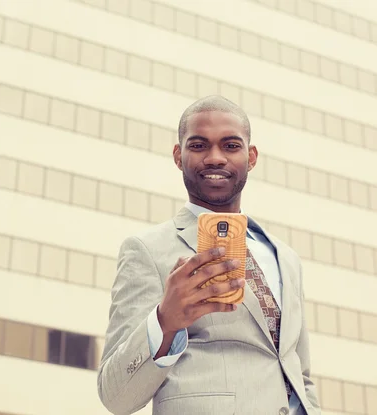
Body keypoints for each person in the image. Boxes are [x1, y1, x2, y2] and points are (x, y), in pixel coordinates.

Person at [97, 96, 320, 415]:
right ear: (178, 155)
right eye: (199, 145)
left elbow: (299, 372)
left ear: (251, 156)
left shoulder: (285, 258)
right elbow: (115, 395)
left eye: (230, 146)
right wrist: (165, 320)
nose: (215, 158)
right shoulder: (146, 250)